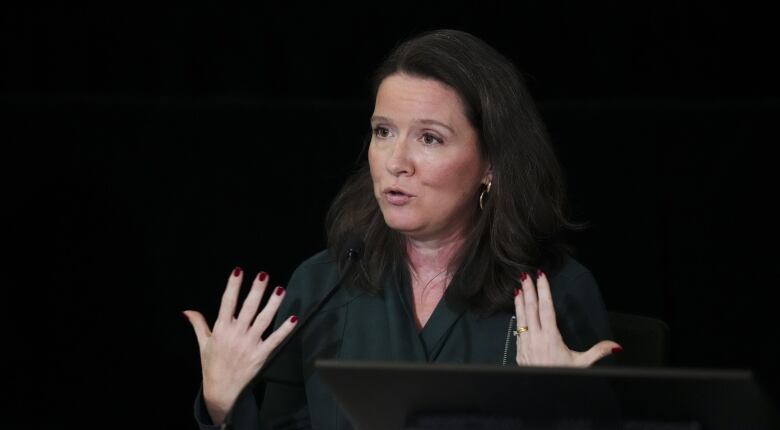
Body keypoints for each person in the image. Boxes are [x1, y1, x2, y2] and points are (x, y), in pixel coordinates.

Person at [183, 28, 620, 429]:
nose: (396, 162)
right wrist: (223, 408)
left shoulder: (556, 293)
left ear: (491, 164)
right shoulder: (321, 286)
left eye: (429, 138)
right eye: (383, 131)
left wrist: (560, 410)